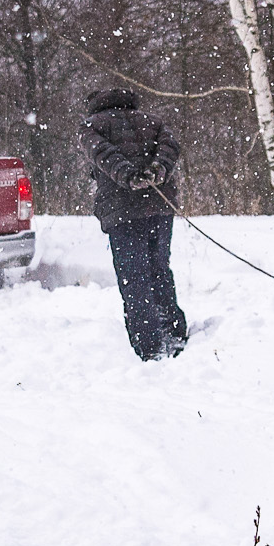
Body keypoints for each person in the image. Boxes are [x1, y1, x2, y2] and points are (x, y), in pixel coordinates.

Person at [83, 88, 189, 360]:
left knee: (135, 279)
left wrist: (128, 176)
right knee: (159, 269)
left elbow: (103, 155)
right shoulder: (152, 121)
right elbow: (170, 147)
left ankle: (149, 346)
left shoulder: (92, 126)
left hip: (122, 212)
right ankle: (174, 334)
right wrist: (158, 171)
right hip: (159, 207)